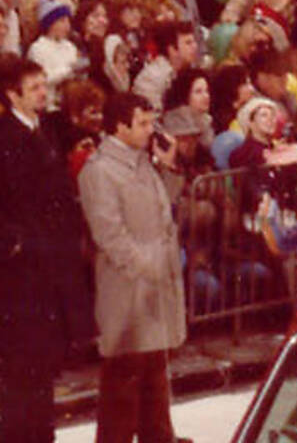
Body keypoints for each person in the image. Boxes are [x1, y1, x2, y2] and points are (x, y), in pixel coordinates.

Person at [79, 90, 189, 443]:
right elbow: (109, 234)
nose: (149, 130)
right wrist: (149, 266)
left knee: (154, 381)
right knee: (123, 388)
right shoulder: (100, 171)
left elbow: (164, 207)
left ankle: (159, 438)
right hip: (128, 291)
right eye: (141, 124)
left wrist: (168, 166)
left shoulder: (143, 161)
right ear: (119, 126)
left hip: (153, 289)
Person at [0, 56, 92, 443]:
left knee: (44, 363)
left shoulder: (46, 130)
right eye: (34, 87)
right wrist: (16, 243)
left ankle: (41, 432)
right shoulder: (6, 138)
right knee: (22, 366)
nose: (43, 93)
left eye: (43, 84)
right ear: (12, 94)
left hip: (51, 266)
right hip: (21, 274)